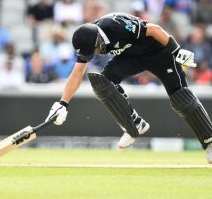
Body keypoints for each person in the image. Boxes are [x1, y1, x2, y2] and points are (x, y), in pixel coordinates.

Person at [44, 12, 212, 163]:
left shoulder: (115, 26)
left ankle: (210, 141)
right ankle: (134, 124)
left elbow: (153, 29)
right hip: (131, 57)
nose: (94, 53)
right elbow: (77, 72)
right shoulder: (88, 41)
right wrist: (63, 103)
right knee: (103, 81)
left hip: (158, 52)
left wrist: (176, 51)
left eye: (95, 49)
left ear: (98, 37)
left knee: (180, 97)